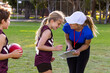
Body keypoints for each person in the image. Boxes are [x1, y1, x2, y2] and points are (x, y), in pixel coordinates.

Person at [0, 6, 23, 73]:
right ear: (3, 21)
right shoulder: (1, 36)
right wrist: (11, 55)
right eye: (8, 20)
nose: (9, 22)